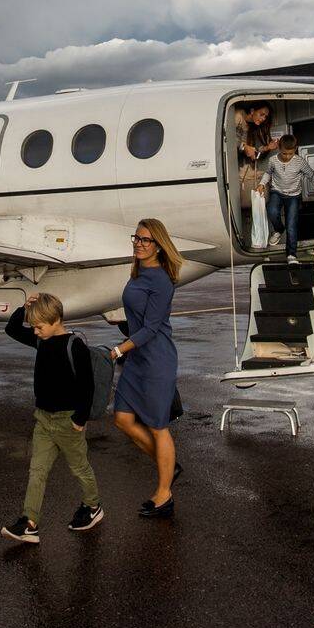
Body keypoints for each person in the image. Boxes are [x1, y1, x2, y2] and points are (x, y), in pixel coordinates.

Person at [0, 292, 103, 544]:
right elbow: (11, 329)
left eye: (39, 327)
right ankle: (29, 522)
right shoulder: (41, 341)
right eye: (33, 327)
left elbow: (87, 385)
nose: (35, 332)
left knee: (79, 468)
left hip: (68, 421)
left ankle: (93, 506)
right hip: (43, 420)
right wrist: (24, 309)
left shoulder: (73, 345)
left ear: (55, 320)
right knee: (37, 470)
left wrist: (80, 418)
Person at [110, 217, 183, 518]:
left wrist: (118, 350)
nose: (139, 244)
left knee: (157, 426)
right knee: (122, 419)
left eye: (146, 240)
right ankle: (168, 467)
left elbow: (152, 328)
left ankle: (164, 494)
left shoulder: (162, 280)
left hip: (156, 360)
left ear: (158, 245)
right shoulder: (138, 272)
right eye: (137, 238)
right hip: (138, 357)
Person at [261, 134, 314, 262]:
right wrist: (261, 184)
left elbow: (312, 175)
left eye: (290, 154)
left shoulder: (300, 162)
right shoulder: (273, 160)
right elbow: (268, 173)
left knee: (291, 225)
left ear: (295, 149)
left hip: (293, 196)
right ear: (279, 148)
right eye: (284, 153)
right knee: (272, 211)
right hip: (277, 192)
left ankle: (291, 254)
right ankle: (279, 229)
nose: (287, 157)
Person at [233, 102, 277, 246]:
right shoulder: (238, 116)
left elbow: (254, 154)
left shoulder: (251, 128)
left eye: (265, 116)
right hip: (238, 174)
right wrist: (244, 146)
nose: (263, 118)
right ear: (252, 110)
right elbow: (227, 139)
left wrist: (267, 148)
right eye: (261, 114)